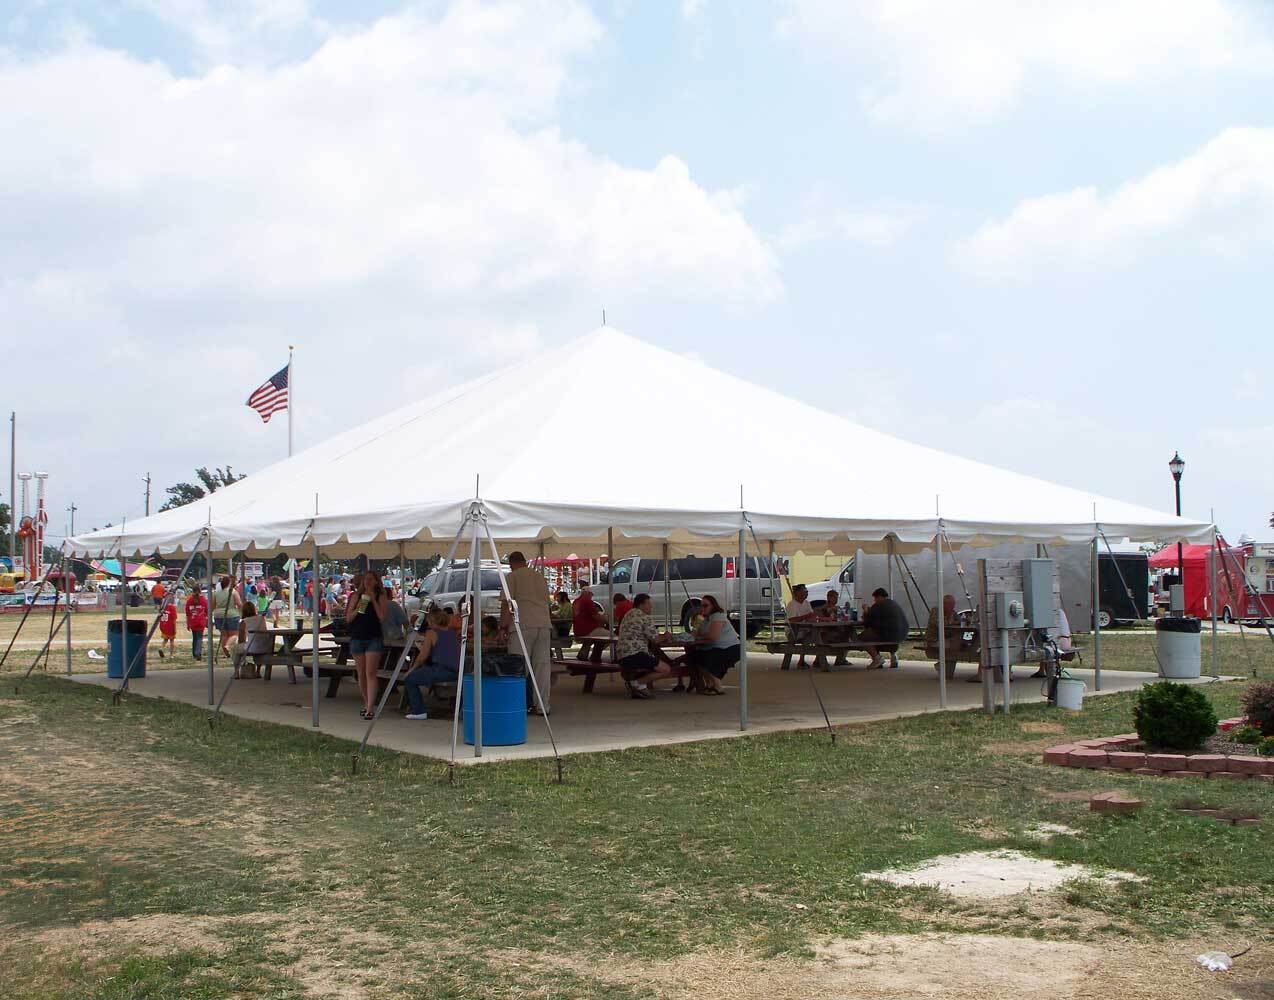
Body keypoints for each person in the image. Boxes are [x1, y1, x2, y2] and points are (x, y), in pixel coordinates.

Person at [500, 551, 554, 716]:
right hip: (543, 624)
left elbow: (507, 605)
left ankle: (516, 704)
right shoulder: (539, 577)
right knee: (542, 667)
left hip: (522, 624)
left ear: (512, 563)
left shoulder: (512, 577)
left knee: (518, 666)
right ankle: (543, 706)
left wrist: (502, 627)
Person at [345, 570, 389, 720]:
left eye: (371, 580)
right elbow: (349, 618)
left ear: (377, 581)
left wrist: (373, 600)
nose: (368, 582)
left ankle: (370, 707)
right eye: (366, 580)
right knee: (361, 674)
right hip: (357, 637)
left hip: (373, 638)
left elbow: (382, 617)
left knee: (370, 673)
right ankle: (366, 702)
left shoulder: (380, 596)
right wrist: (361, 605)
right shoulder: (356, 596)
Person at [403, 608, 462, 720]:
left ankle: (418, 710)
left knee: (409, 679)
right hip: (456, 671)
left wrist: (411, 670)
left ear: (431, 622)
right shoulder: (453, 632)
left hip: (441, 669)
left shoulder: (431, 633)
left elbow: (422, 657)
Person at [616, 593, 676, 699]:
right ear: (641, 605)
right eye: (648, 604)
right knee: (666, 669)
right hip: (635, 654)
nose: (651, 606)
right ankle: (636, 683)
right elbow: (656, 639)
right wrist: (666, 635)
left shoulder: (628, 614)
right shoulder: (644, 617)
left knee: (653, 660)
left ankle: (641, 688)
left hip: (621, 655)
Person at [683, 594, 740, 694]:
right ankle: (709, 685)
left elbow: (712, 636)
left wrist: (698, 640)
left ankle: (718, 687)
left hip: (729, 648)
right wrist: (696, 625)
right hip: (714, 647)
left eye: (706, 605)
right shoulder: (705, 619)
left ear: (713, 606)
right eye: (701, 605)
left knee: (708, 658)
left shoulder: (718, 616)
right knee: (693, 657)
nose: (702, 608)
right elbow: (694, 634)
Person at [860, 587, 909, 669]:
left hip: (889, 634)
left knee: (863, 637)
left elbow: (868, 622)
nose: (874, 600)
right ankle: (894, 657)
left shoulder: (879, 606)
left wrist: (865, 611)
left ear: (880, 597)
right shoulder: (894, 604)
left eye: (875, 598)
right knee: (877, 635)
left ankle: (877, 658)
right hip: (902, 634)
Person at [925, 594, 971, 681]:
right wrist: (955, 622)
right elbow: (940, 624)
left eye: (953, 605)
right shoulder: (935, 611)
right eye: (950, 605)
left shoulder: (953, 613)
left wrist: (966, 620)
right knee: (955, 646)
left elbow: (961, 621)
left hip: (947, 638)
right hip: (935, 639)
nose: (952, 607)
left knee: (957, 644)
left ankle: (946, 671)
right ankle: (944, 668)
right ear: (943, 604)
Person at [232, 603, 272, 679]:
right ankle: (258, 671)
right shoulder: (261, 618)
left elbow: (241, 640)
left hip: (253, 647)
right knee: (255, 644)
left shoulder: (244, 622)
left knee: (235, 649)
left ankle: (236, 673)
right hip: (265, 646)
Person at [573, 583, 609, 664]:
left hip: (578, 630)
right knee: (610, 636)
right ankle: (595, 655)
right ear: (589, 593)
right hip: (589, 630)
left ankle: (583, 654)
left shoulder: (576, 601)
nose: (591, 596)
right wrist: (605, 619)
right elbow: (596, 616)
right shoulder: (588, 601)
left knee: (595, 637)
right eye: (591, 594)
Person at [784, 584, 818, 669]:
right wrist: (806, 616)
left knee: (817, 635)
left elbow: (811, 616)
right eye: (804, 591)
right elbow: (792, 620)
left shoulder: (807, 603)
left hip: (804, 629)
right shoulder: (792, 604)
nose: (806, 593)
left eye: (807, 591)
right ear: (797, 593)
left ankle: (816, 660)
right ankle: (802, 661)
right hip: (793, 632)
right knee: (812, 636)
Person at [212, 575, 243, 661]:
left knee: (224, 634)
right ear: (229, 583)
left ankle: (226, 653)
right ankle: (228, 646)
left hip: (218, 615)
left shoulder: (216, 593)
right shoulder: (233, 592)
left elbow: (213, 605)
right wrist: (241, 612)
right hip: (231, 614)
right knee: (234, 634)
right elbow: (239, 604)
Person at [819, 589, 851, 666]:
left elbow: (842, 617)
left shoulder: (836, 608)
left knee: (847, 635)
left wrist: (846, 609)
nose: (836, 600)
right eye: (835, 598)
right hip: (826, 632)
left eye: (837, 598)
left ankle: (840, 659)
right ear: (829, 598)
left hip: (836, 630)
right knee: (845, 637)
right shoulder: (824, 608)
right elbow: (826, 618)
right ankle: (820, 660)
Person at [185, 585, 208, 660]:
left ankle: (194, 653)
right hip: (201, 621)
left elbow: (187, 613)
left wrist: (188, 624)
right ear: (200, 590)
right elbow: (207, 611)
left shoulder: (189, 600)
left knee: (195, 638)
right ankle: (198, 653)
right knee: (199, 638)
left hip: (193, 621)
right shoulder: (203, 600)